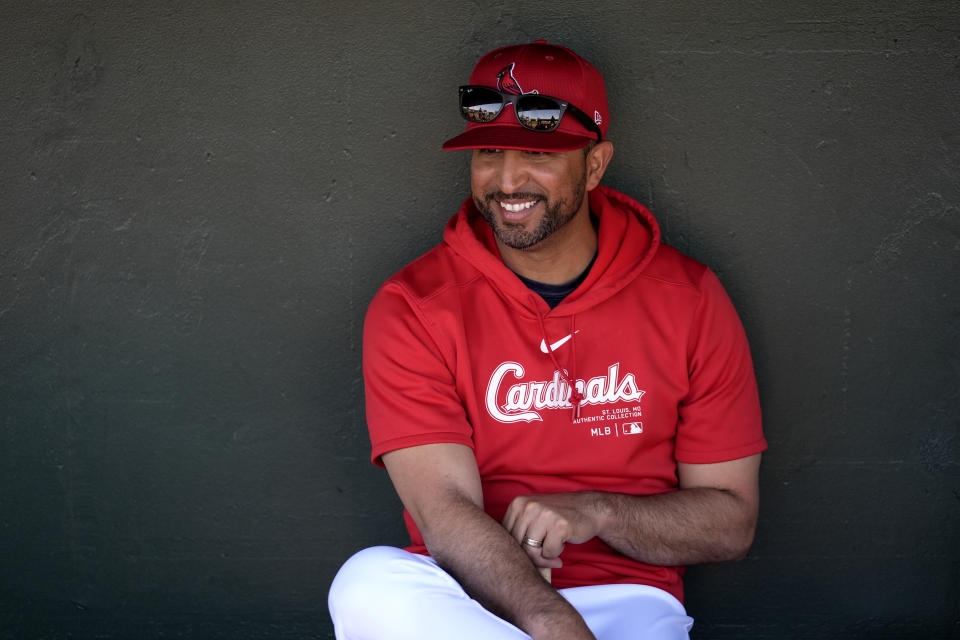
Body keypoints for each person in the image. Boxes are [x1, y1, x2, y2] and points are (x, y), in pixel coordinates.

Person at [328, 40, 767, 640]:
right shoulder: (414, 305)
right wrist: (551, 622)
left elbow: (730, 522)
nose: (507, 180)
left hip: (629, 600)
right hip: (466, 598)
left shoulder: (688, 297)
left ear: (594, 164)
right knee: (366, 582)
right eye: (488, 151)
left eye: (538, 152)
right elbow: (443, 510)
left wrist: (596, 509)